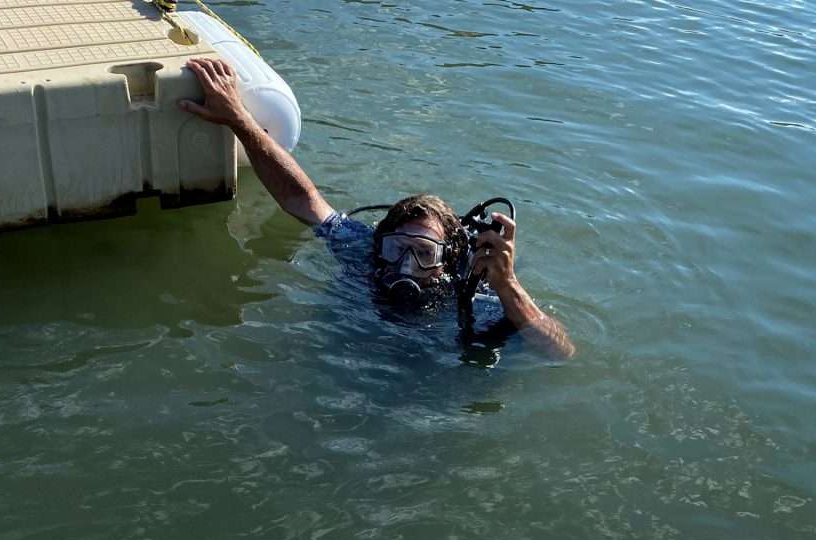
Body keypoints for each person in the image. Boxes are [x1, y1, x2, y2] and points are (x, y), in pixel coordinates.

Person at [180, 58, 574, 358]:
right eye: (396, 248)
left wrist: (508, 286)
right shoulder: (364, 252)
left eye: (424, 253)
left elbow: (561, 352)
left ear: (448, 260)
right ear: (379, 244)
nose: (406, 265)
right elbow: (302, 198)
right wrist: (239, 120)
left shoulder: (468, 294)